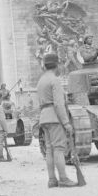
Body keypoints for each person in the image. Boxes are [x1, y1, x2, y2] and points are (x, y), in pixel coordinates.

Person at [36, 53, 76, 187]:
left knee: (49, 150)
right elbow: (59, 104)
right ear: (57, 65)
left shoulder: (41, 80)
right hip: (54, 117)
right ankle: (63, 179)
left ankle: (52, 180)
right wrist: (66, 123)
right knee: (59, 148)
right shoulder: (55, 80)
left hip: (44, 117)